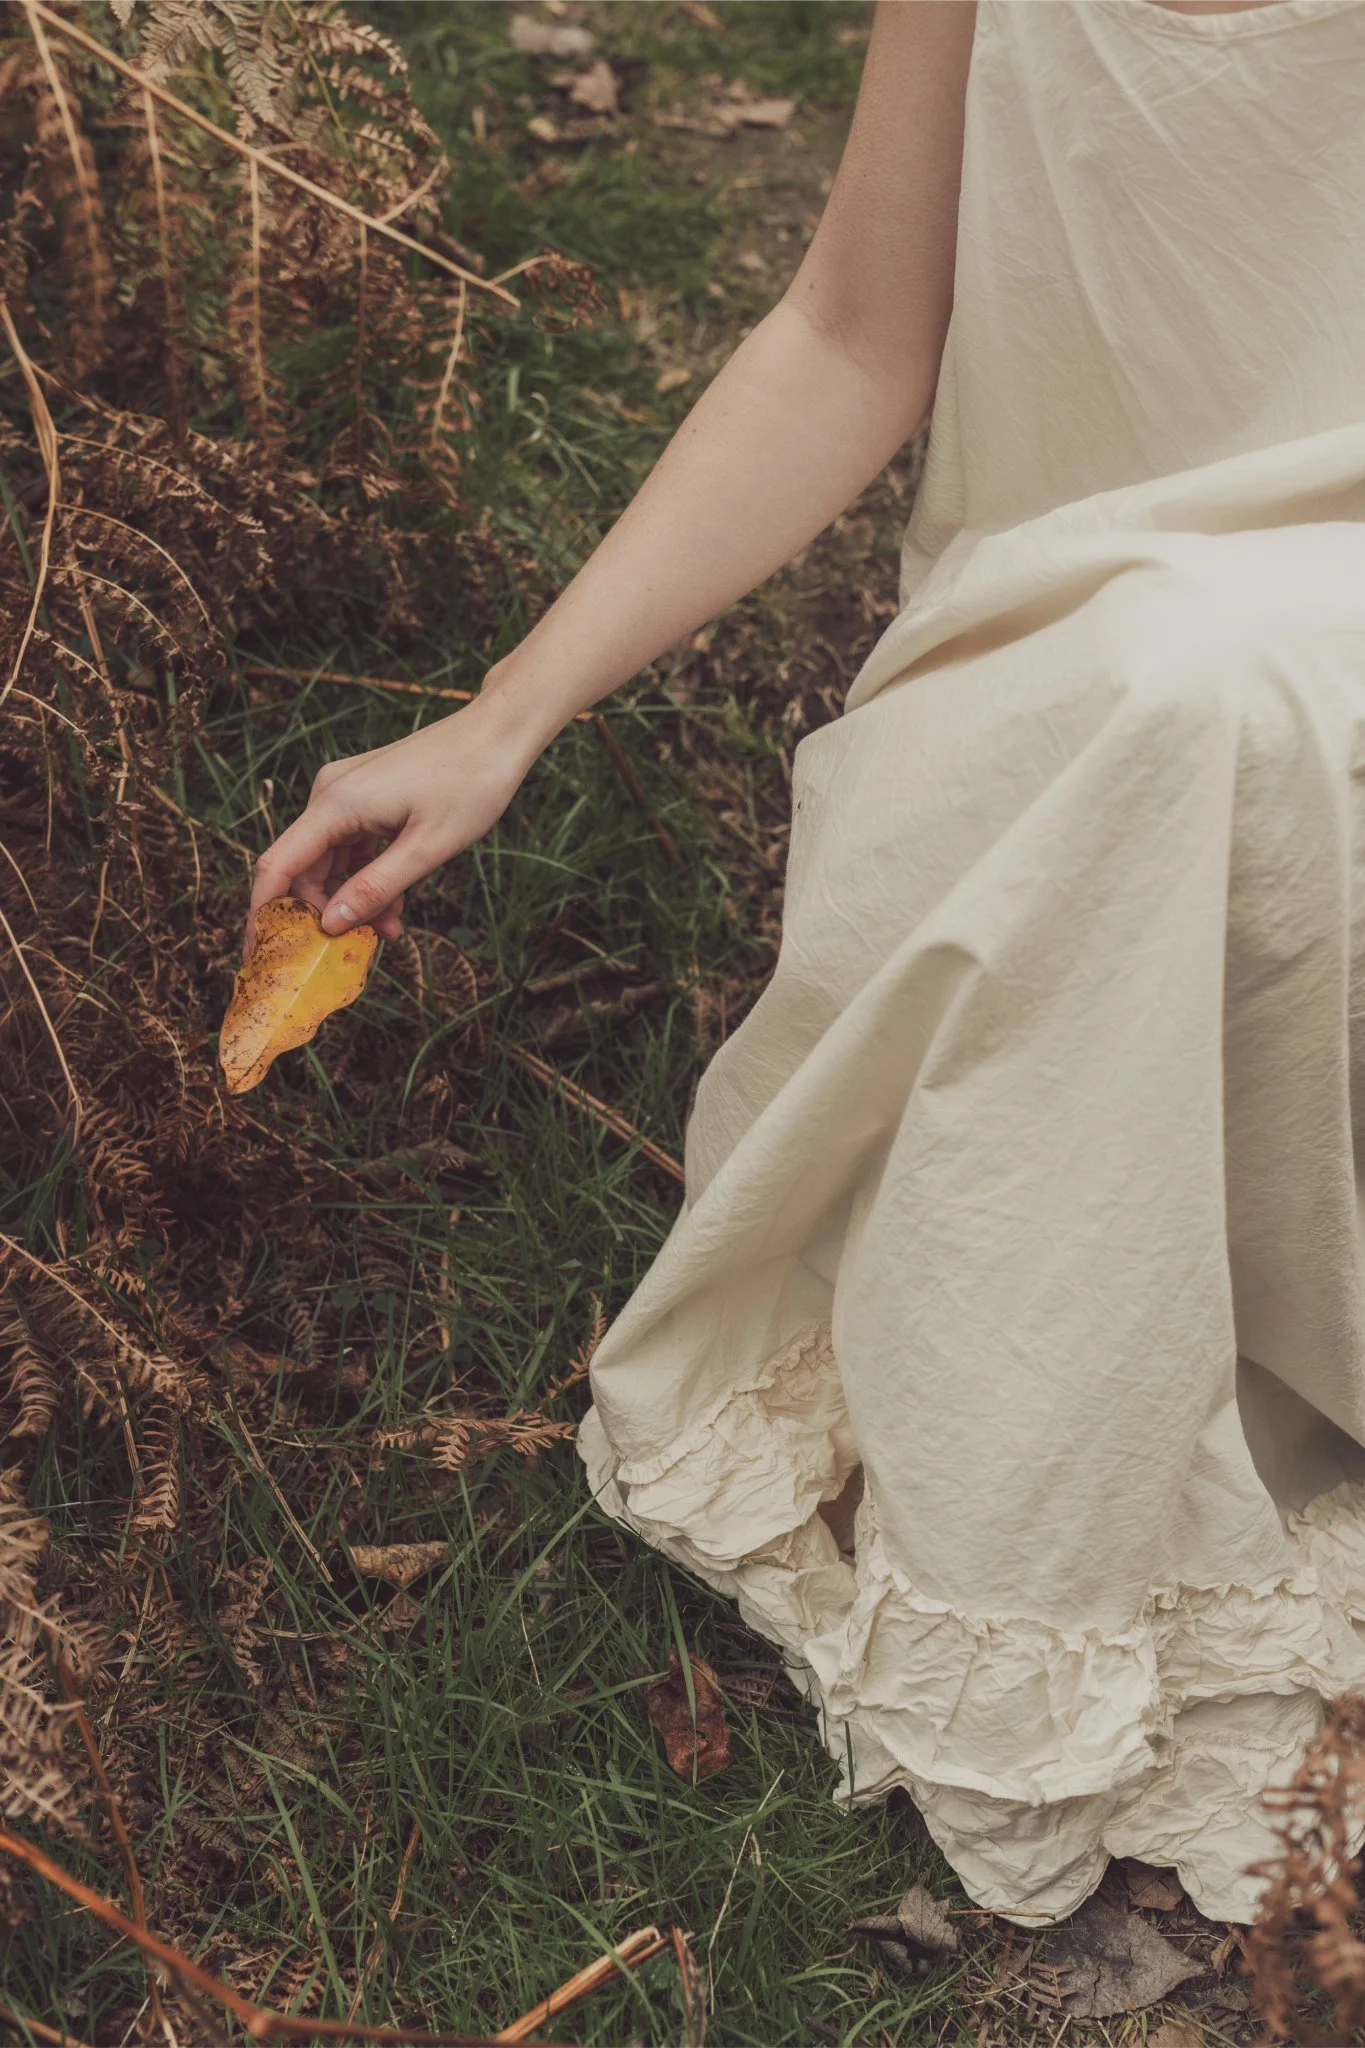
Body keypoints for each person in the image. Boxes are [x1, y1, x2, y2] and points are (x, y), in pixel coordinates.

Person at [250, 0, 1365, 1926]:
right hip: (1053, 661)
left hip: (1283, 669)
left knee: (1191, 691)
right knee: (1150, 702)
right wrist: (504, 719)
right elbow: (854, 329)